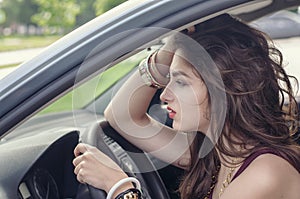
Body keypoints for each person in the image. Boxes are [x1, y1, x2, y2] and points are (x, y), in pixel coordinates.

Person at [72, 14, 300, 199]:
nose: (164, 95)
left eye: (180, 82)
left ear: (223, 91)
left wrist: (120, 188)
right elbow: (121, 116)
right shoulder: (217, 154)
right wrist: (172, 46)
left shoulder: (265, 173)